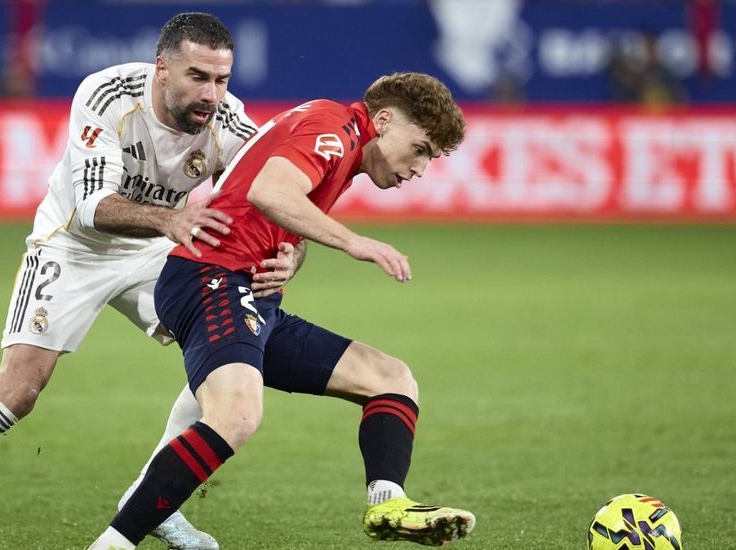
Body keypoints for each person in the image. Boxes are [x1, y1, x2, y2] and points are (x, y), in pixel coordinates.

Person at [0, 12, 299, 550]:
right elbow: (95, 208)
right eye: (197, 77)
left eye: (221, 80)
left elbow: (279, 199)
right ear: (162, 69)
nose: (211, 94)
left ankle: (151, 499)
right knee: (20, 388)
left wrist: (289, 252)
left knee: (222, 351)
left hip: (158, 248)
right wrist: (172, 220)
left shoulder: (229, 123)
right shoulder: (108, 94)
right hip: (73, 245)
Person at [88, 72, 475, 549]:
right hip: (211, 277)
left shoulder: (340, 138)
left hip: (250, 293)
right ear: (383, 121)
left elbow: (274, 205)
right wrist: (354, 242)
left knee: (391, 378)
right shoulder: (334, 129)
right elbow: (270, 191)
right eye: (419, 149)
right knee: (237, 415)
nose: (419, 170)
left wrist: (289, 254)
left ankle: (388, 503)